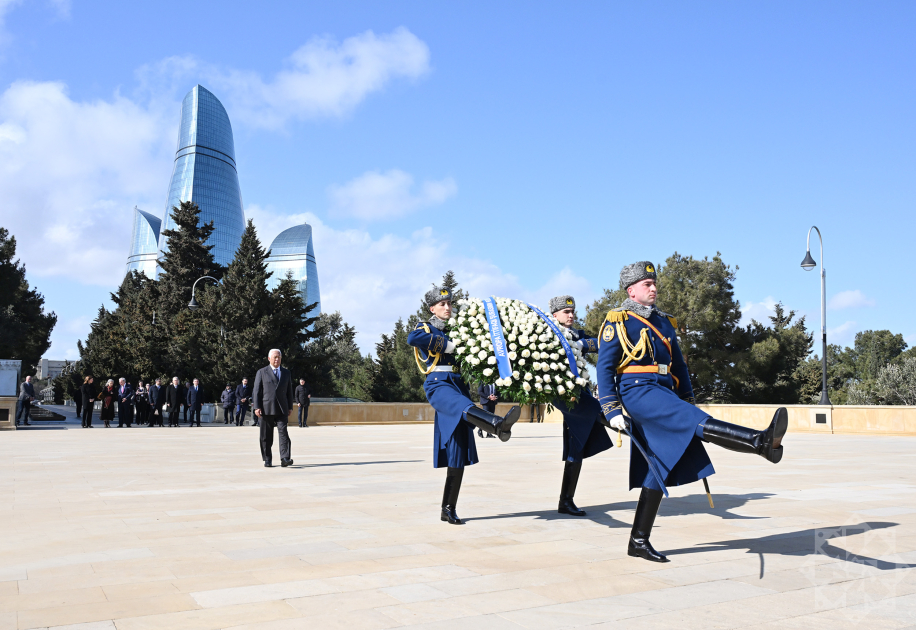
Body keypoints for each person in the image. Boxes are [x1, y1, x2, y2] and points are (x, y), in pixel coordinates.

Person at [596, 261, 788, 563]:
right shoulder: (618, 321)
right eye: (647, 284)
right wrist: (611, 408)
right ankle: (757, 442)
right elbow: (605, 367)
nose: (654, 287)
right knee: (693, 426)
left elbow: (680, 367)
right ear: (631, 291)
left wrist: (687, 398)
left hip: (663, 391)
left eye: (654, 282)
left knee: (658, 464)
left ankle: (638, 541)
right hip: (638, 390)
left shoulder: (663, 322)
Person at [407, 285, 521, 525]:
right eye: (442, 304)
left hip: (458, 385)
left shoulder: (461, 329)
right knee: (461, 406)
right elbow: (413, 338)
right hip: (438, 384)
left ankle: (448, 508)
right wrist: (446, 345)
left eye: (449, 304)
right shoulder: (425, 327)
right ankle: (497, 425)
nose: (447, 308)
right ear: (432, 308)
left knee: (457, 450)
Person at [548, 295, 613, 517]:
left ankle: (565, 501)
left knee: (576, 447)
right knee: (606, 414)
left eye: (572, 311)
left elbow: (600, 343)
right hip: (564, 394)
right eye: (566, 312)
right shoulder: (546, 334)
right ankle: (638, 432)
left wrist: (581, 343)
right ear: (554, 315)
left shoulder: (577, 335)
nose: (571, 315)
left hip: (580, 391)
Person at [252, 349, 294, 467]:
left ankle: (285, 458)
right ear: (269, 358)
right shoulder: (262, 372)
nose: (277, 359)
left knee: (283, 433)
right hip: (266, 408)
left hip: (282, 408)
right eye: (275, 357)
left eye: (279, 357)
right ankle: (267, 458)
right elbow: (256, 391)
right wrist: (257, 407)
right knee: (266, 435)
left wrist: (290, 406)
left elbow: (289, 391)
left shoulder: (286, 373)